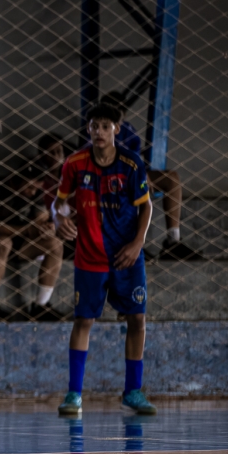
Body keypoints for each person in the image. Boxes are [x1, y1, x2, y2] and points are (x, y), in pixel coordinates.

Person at [54, 102, 156, 417]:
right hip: (90, 255)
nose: (99, 132)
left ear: (116, 130)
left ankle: (133, 392)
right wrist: (59, 219)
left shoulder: (131, 163)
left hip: (126, 256)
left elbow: (147, 206)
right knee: (84, 321)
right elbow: (59, 204)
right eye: (95, 126)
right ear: (88, 129)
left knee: (137, 319)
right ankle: (74, 395)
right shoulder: (74, 163)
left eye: (106, 126)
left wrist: (138, 243)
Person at [98, 90, 201, 260]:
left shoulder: (128, 130)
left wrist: (141, 173)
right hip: (106, 177)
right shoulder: (96, 130)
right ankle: (127, 243)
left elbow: (136, 159)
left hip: (131, 174)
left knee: (171, 179)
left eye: (121, 113)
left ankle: (173, 241)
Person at [0, 136, 67, 322]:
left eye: (36, 188)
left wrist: (46, 228)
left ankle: (41, 306)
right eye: (29, 187)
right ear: (17, 180)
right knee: (3, 242)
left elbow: (40, 220)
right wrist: (27, 230)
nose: (33, 192)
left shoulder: (36, 192)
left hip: (20, 244)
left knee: (55, 244)